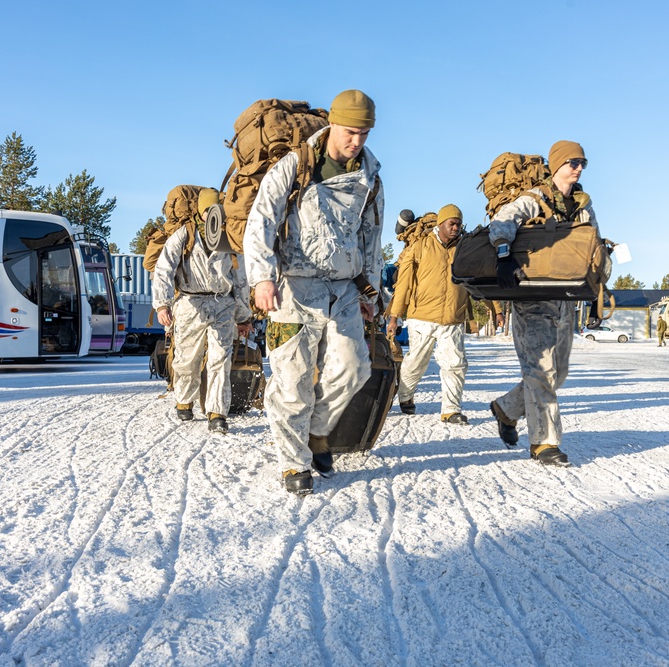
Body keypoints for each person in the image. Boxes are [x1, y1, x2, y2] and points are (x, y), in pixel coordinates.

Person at [244, 89, 384, 495]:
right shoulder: (296, 166)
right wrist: (261, 278)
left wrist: (371, 293)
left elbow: (370, 238)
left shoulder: (371, 177)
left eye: (364, 133)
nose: (356, 141)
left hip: (343, 288)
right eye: (349, 132)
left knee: (355, 368)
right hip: (295, 289)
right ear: (332, 125)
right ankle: (293, 463)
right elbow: (261, 222)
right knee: (293, 380)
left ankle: (318, 432)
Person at [487, 140, 599, 467]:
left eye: (582, 163)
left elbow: (594, 246)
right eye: (572, 162)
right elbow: (503, 220)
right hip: (531, 295)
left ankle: (506, 409)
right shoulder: (536, 199)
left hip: (565, 298)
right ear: (556, 165)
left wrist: (596, 293)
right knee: (542, 368)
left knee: (555, 373)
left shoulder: (583, 205)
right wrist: (504, 254)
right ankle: (544, 443)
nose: (578, 168)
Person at [387, 204, 502, 424]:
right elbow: (404, 284)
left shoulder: (466, 249)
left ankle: (451, 410)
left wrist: (496, 309)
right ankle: (405, 395)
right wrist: (394, 316)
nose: (456, 227)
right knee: (416, 363)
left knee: (455, 363)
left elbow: (481, 279)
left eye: (459, 223)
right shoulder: (420, 247)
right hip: (421, 317)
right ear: (441, 224)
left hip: (452, 318)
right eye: (452, 223)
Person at [153, 188, 252, 434]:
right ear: (201, 212)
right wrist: (162, 304)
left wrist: (243, 316)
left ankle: (217, 412)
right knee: (187, 359)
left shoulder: (230, 239)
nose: (212, 214)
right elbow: (164, 269)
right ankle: (184, 400)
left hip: (222, 305)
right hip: (190, 304)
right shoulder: (183, 236)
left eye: (217, 209)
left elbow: (240, 280)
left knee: (221, 360)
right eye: (208, 210)